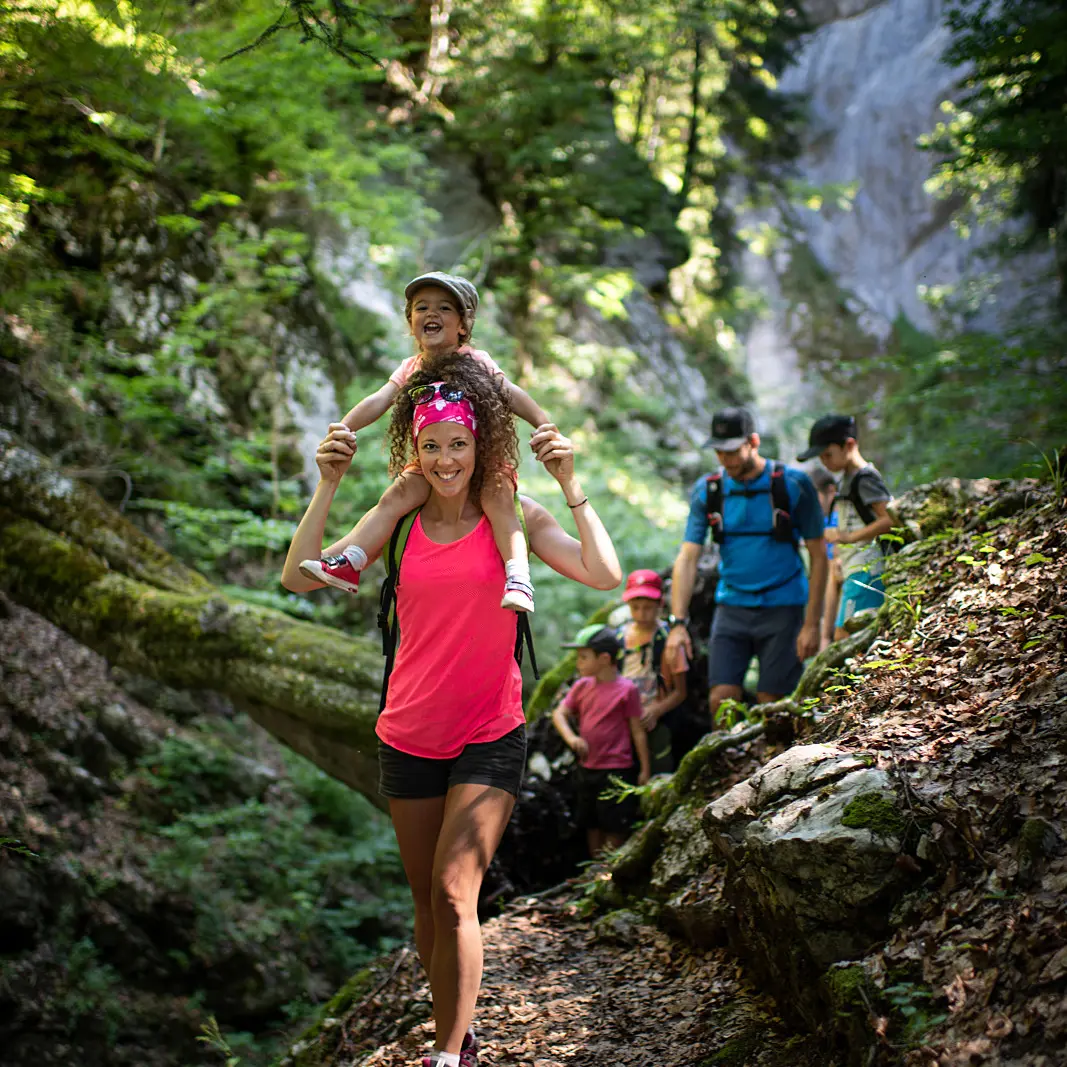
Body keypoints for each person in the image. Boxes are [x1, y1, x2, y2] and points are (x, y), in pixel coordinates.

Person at [281, 361, 622, 1067]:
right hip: (407, 734)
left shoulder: (514, 518)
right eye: (430, 445)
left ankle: (448, 1056)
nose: (444, 459)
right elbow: (298, 574)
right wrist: (328, 482)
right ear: (413, 448)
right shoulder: (397, 521)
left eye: (457, 445)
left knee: (452, 889)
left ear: (480, 445)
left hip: (488, 733)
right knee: (425, 903)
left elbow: (602, 573)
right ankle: (456, 1026)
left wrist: (569, 484)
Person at [299, 271, 551, 613]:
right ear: (411, 322)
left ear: (463, 325)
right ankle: (351, 562)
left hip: (482, 459)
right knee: (396, 496)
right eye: (422, 308)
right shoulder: (411, 368)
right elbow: (379, 399)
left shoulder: (476, 361)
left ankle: (519, 578)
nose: (432, 314)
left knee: (500, 503)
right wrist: (343, 428)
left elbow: (510, 394)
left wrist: (545, 425)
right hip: (433, 460)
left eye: (445, 308)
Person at [665, 407, 828, 719]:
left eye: (732, 451)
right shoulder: (708, 490)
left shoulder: (793, 485)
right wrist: (678, 623)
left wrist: (811, 624)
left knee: (773, 703)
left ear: (753, 442)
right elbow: (687, 558)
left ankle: (772, 765)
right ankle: (723, 765)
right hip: (732, 607)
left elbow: (819, 557)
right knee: (722, 700)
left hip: (784, 606)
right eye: (719, 452)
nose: (726, 460)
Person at [551, 624, 651, 858]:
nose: (579, 663)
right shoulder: (581, 686)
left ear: (605, 658)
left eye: (584, 657)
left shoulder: (627, 690)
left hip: (617, 770)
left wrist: (645, 769)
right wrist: (572, 738)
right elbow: (559, 714)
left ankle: (608, 867)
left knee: (616, 822)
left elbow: (637, 730)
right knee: (591, 821)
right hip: (588, 768)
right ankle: (594, 867)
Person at [799, 414, 894, 642]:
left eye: (828, 455)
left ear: (848, 445)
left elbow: (889, 519)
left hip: (868, 571)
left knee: (845, 638)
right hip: (854, 570)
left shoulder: (865, 479)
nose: (825, 462)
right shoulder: (846, 481)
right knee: (846, 638)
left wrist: (849, 537)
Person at [615, 569, 691, 772]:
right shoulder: (618, 638)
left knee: (659, 766)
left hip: (657, 719)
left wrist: (656, 710)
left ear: (660, 605)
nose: (641, 614)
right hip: (622, 719)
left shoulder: (670, 642)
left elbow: (680, 691)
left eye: (648, 608)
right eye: (635, 607)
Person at [809, 465, 844, 651]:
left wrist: (824, 635)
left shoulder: (840, 517)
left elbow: (834, 572)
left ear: (830, 490)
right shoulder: (824, 518)